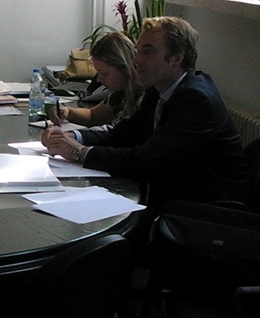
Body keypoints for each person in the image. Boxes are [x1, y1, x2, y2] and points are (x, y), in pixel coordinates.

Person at [42, 17, 249, 212]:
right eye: (137, 50)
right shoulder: (158, 89)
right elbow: (123, 135)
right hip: (169, 198)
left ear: (176, 58)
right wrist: (71, 137)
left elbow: (146, 161)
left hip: (200, 213)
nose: (136, 59)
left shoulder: (196, 99)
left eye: (148, 52)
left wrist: (79, 152)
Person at [49, 32, 142, 128]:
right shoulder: (120, 94)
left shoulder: (145, 100)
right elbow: (93, 116)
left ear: (125, 68)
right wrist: (68, 112)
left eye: (104, 73)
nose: (98, 80)